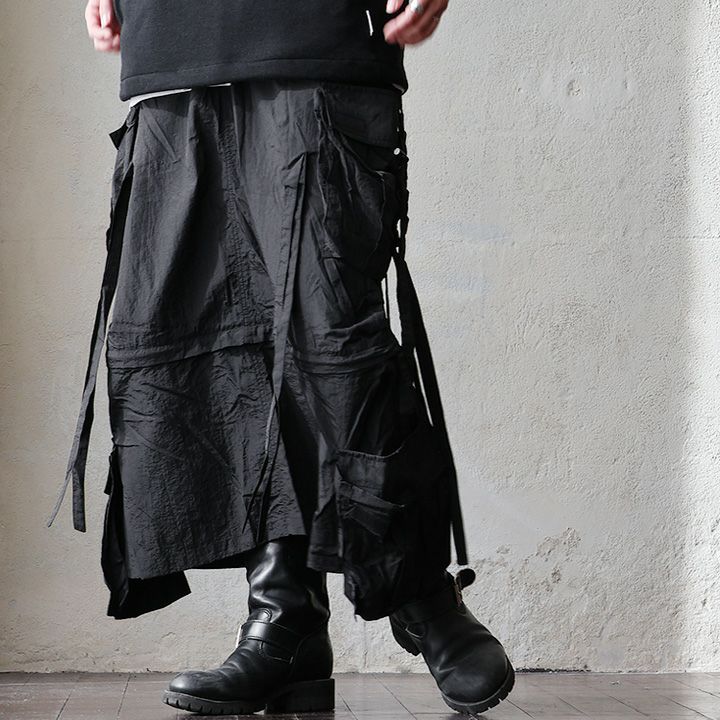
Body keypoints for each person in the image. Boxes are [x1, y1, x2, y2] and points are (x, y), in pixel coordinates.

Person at [48, 0, 516, 714]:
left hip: (314, 32)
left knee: (333, 344)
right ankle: (283, 623)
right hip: (170, 47)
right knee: (208, 345)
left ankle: (420, 591)